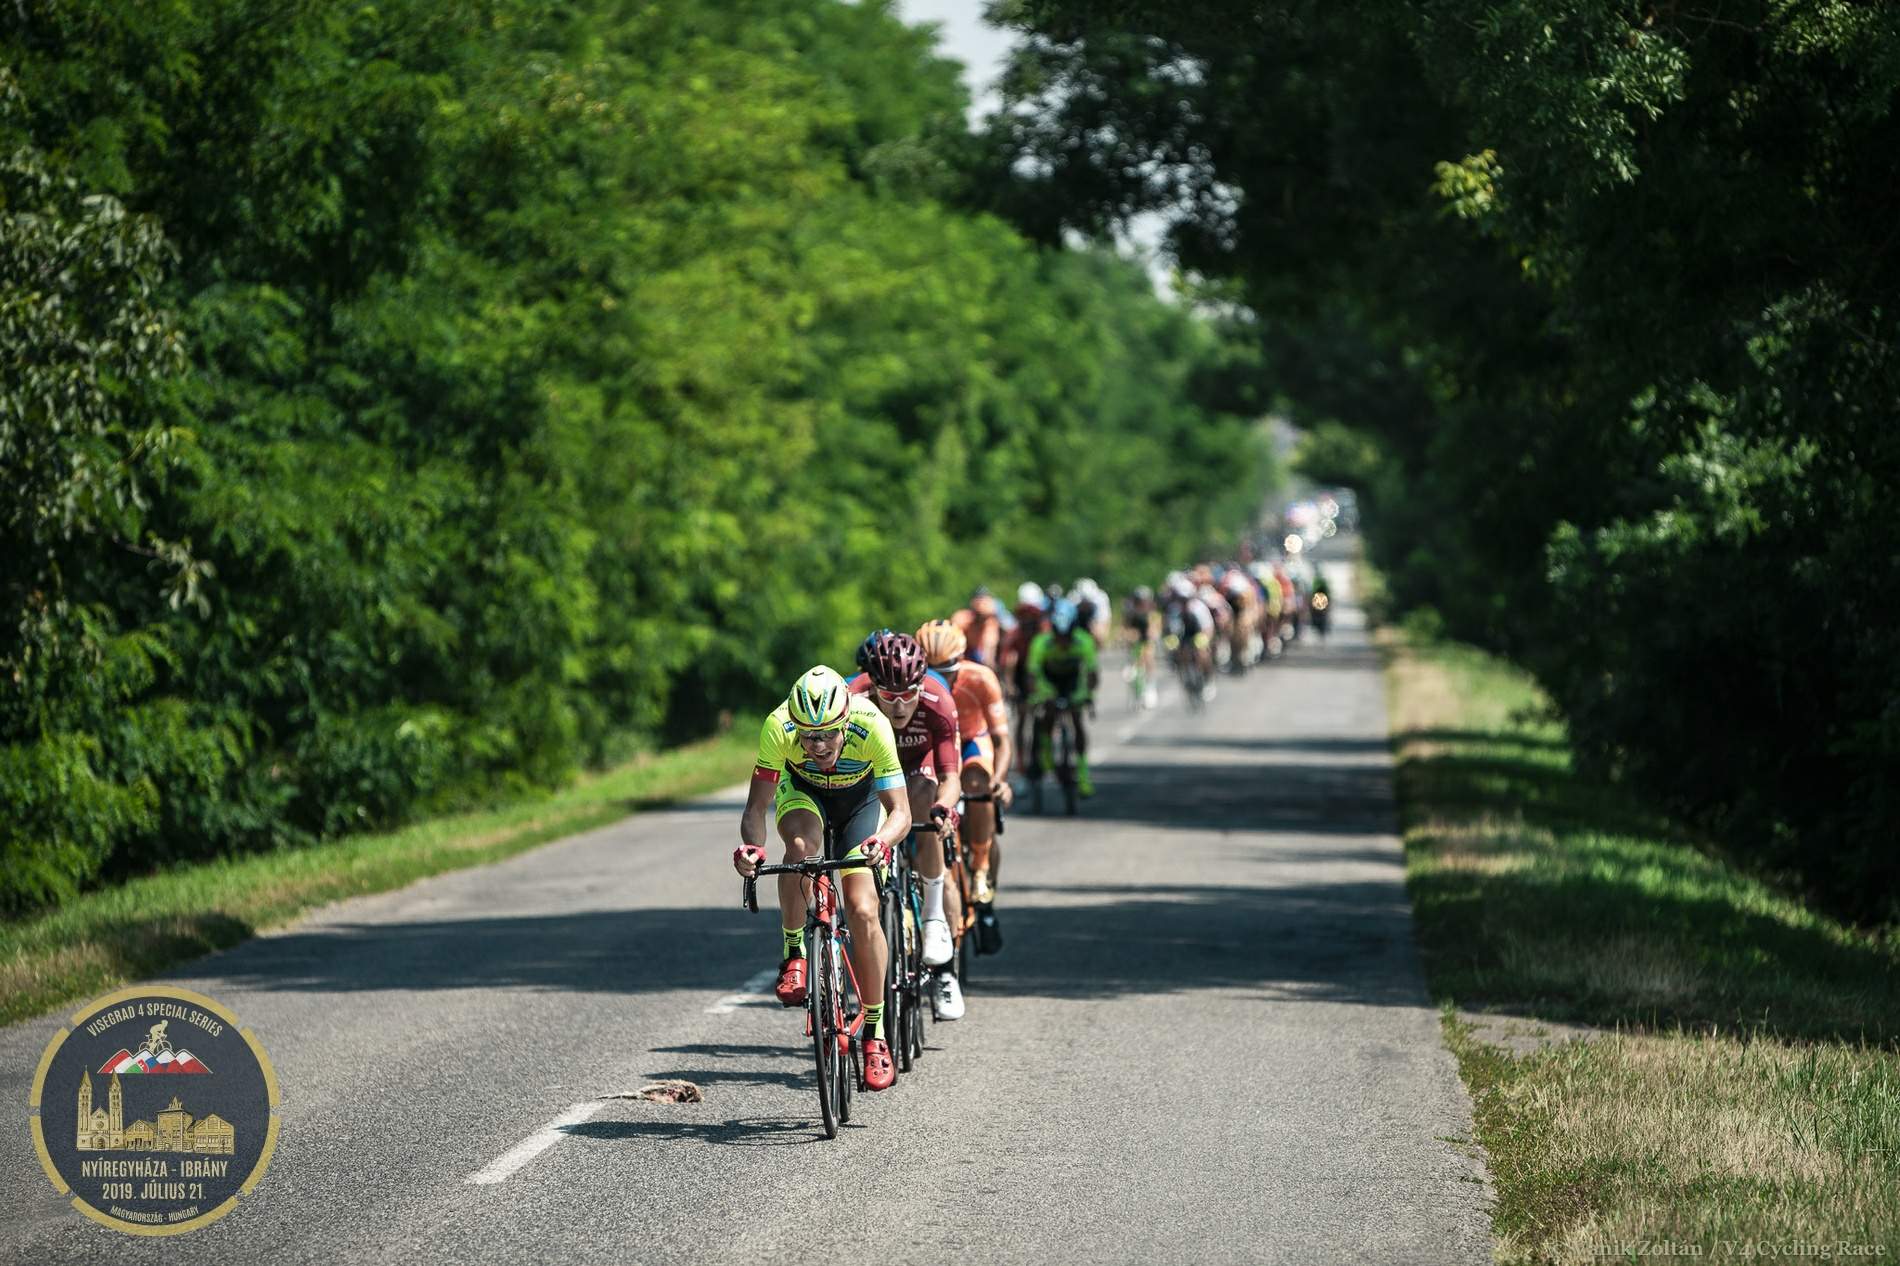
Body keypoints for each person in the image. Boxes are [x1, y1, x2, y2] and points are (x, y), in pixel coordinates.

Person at [733, 665, 910, 1090]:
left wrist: (882, 841)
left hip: (861, 802)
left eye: (829, 733)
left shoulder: (873, 725)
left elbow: (901, 812)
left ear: (845, 721)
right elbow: (756, 809)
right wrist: (752, 849)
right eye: (809, 736)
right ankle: (795, 951)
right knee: (799, 850)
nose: (819, 745)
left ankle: (875, 1032)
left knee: (863, 909)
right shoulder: (778, 727)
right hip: (804, 794)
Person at [846, 632, 967, 1019]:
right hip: (872, 774)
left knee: (925, 808)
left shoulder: (938, 700)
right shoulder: (853, 699)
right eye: (889, 695)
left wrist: (945, 808)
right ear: (872, 685)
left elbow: (951, 777)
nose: (899, 706)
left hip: (919, 769)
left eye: (907, 694)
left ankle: (934, 923)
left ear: (921, 685)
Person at [917, 619, 1015, 910]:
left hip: (972, 740)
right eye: (930, 672)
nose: (938, 680)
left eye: (946, 672)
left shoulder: (980, 678)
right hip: (935, 744)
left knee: (977, 782)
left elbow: (1001, 739)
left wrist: (998, 780)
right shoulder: (912, 684)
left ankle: (981, 865)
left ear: (960, 660)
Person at [1026, 598, 1101, 797]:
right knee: (1048, 714)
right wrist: (1039, 696)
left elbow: (1092, 674)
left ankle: (1083, 776)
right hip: (1049, 681)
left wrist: (1087, 695)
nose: (1062, 642)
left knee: (1077, 719)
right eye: (1059, 637)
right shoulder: (1041, 643)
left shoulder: (1084, 641)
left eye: (1066, 637)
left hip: (1072, 682)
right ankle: (1047, 755)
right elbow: (1033, 675)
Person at [1122, 585, 1160, 708]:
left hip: (1147, 641)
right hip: (1135, 642)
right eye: (1139, 601)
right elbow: (1126, 628)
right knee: (1134, 662)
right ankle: (1135, 682)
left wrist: (1151, 634)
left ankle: (1150, 687)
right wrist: (1127, 636)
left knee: (1148, 657)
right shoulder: (1131, 614)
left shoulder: (1152, 613)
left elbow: (1154, 629)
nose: (1142, 604)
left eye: (1144, 601)